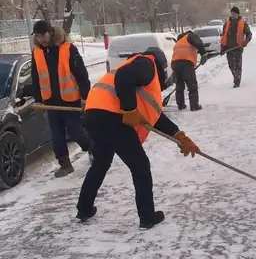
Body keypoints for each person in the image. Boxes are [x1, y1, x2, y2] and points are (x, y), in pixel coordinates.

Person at [76, 47, 200, 230]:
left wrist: (178, 135)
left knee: (101, 163)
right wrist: (129, 109)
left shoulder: (138, 80)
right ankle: (147, 216)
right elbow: (124, 78)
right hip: (112, 118)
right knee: (140, 166)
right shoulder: (146, 63)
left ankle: (84, 209)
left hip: (94, 115)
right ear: (160, 65)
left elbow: (154, 116)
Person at [31, 20, 92, 178]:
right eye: (37, 36)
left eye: (43, 35)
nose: (41, 39)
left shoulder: (68, 49)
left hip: (69, 100)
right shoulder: (37, 52)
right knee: (56, 134)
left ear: (50, 33)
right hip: (50, 102)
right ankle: (65, 164)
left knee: (75, 131)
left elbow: (82, 75)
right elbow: (36, 77)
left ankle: (92, 148)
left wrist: (86, 97)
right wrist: (38, 99)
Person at [171, 30, 208, 111]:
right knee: (192, 85)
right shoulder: (190, 35)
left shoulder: (179, 42)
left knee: (179, 85)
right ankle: (194, 106)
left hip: (175, 63)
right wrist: (204, 54)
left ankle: (180, 105)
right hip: (186, 62)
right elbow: (199, 43)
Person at [220, 6, 252, 88]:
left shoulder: (243, 23)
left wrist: (245, 42)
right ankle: (236, 77)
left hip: (238, 49)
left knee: (238, 66)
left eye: (234, 14)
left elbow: (249, 34)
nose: (233, 15)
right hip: (229, 49)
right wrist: (222, 48)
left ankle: (237, 81)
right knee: (231, 66)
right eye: (232, 14)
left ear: (238, 14)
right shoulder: (226, 24)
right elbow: (224, 36)